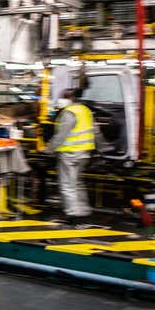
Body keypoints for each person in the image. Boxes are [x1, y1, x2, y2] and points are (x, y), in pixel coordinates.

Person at [44, 88, 96, 219]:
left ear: (70, 99)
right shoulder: (85, 110)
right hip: (84, 153)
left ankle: (72, 214)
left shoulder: (69, 113)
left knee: (67, 184)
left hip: (70, 153)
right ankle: (84, 210)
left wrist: (49, 150)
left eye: (63, 97)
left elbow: (61, 135)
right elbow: (96, 131)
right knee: (78, 182)